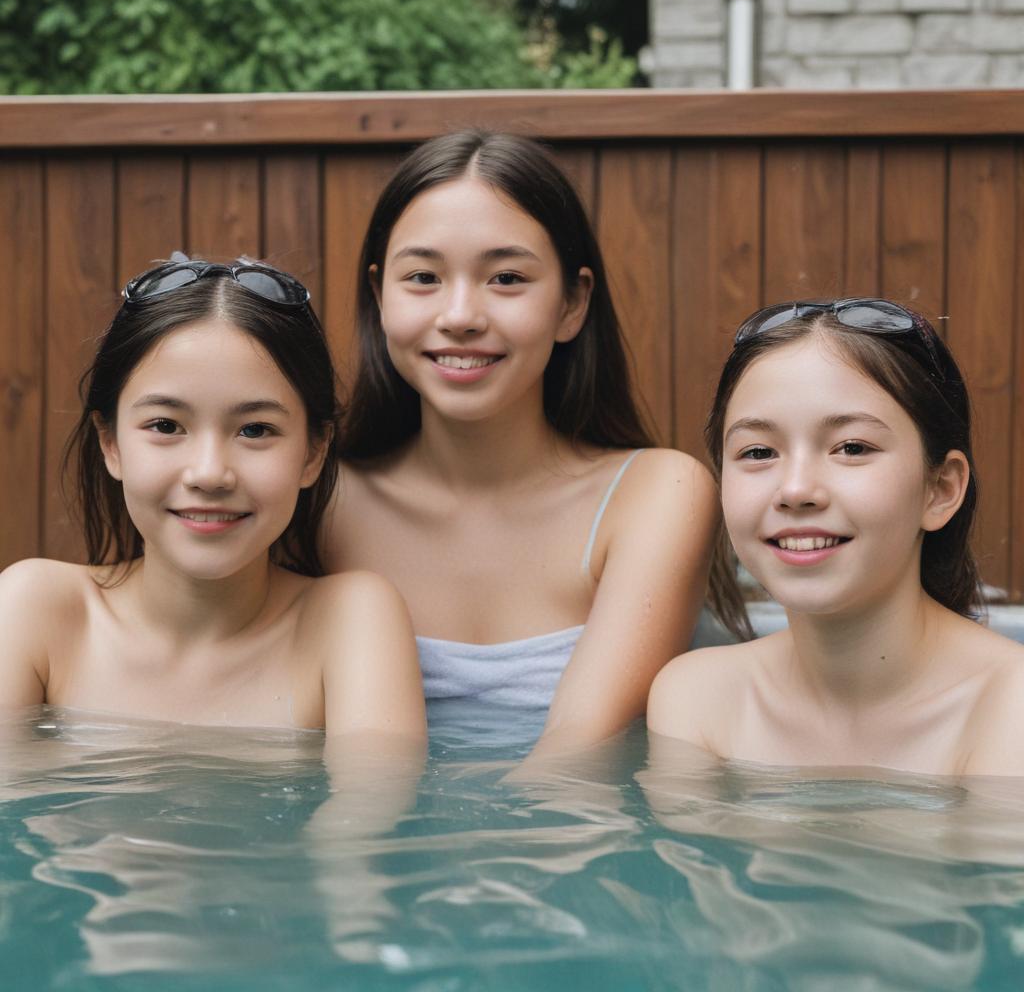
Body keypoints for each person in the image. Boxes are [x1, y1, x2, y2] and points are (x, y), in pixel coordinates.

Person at [323, 130, 720, 756]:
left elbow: (578, 756)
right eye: (423, 277)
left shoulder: (653, 495)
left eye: (506, 278)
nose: (459, 315)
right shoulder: (318, 501)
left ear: (573, 303)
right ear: (379, 299)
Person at [0, 255, 425, 738]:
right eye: (165, 425)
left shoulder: (349, 623)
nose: (209, 474)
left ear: (313, 452)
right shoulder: (36, 612)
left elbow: (373, 809)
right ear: (110, 443)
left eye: (255, 429)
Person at [648, 298, 1024, 776]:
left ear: (940, 489)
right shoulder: (697, 702)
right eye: (759, 451)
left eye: (852, 447)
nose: (797, 489)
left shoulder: (1012, 710)